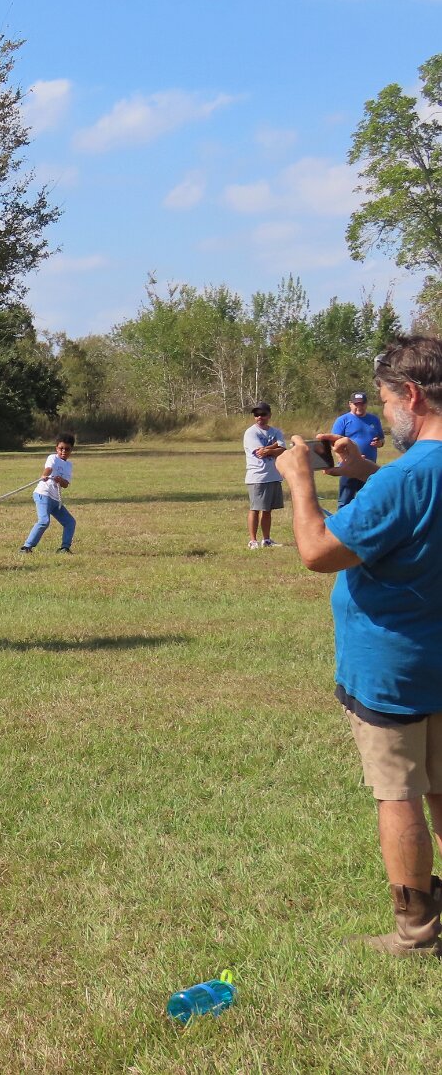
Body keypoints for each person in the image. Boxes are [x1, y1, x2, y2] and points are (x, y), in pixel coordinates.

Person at [276, 335, 442, 957]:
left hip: (393, 667)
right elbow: (419, 503)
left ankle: (416, 934)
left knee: (399, 795)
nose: (384, 412)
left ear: (412, 395)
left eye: (385, 399)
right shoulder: (402, 477)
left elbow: (320, 551)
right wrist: (363, 473)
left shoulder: (404, 477)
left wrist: (301, 481)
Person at [20, 434, 76, 554]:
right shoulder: (52, 458)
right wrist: (45, 475)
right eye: (61, 448)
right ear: (56, 448)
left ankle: (65, 548)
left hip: (55, 499)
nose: (63, 451)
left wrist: (60, 480)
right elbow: (49, 468)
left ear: (71, 450)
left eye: (67, 449)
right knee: (44, 521)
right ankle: (26, 547)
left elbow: (66, 484)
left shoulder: (69, 465)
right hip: (43, 494)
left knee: (70, 522)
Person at [243, 402, 285, 549]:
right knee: (255, 509)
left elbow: (283, 450)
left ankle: (266, 540)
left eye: (263, 414)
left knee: (267, 510)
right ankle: (253, 541)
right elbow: (260, 453)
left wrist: (272, 449)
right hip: (257, 477)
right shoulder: (251, 433)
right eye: (256, 414)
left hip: (274, 475)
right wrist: (274, 446)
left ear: (269, 415)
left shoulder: (276, 431)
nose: (259, 417)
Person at [332, 391, 385, 508]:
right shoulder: (343, 420)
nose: (359, 407)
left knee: (367, 500)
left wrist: (379, 443)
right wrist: (343, 460)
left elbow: (381, 439)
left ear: (366, 404)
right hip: (349, 466)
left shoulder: (374, 419)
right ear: (350, 404)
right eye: (356, 404)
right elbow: (334, 443)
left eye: (362, 404)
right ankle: (343, 519)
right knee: (345, 500)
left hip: (368, 467)